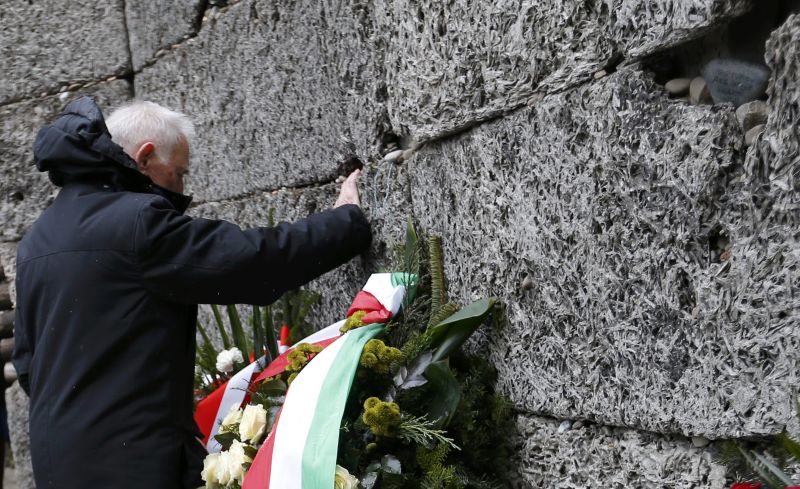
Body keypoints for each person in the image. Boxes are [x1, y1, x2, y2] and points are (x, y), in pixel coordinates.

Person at [11, 97, 371, 488]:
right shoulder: (136, 223)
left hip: (58, 463)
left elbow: (28, 365)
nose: (181, 187)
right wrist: (344, 223)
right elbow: (252, 263)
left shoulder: (36, 241)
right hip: (133, 465)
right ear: (145, 158)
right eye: (179, 172)